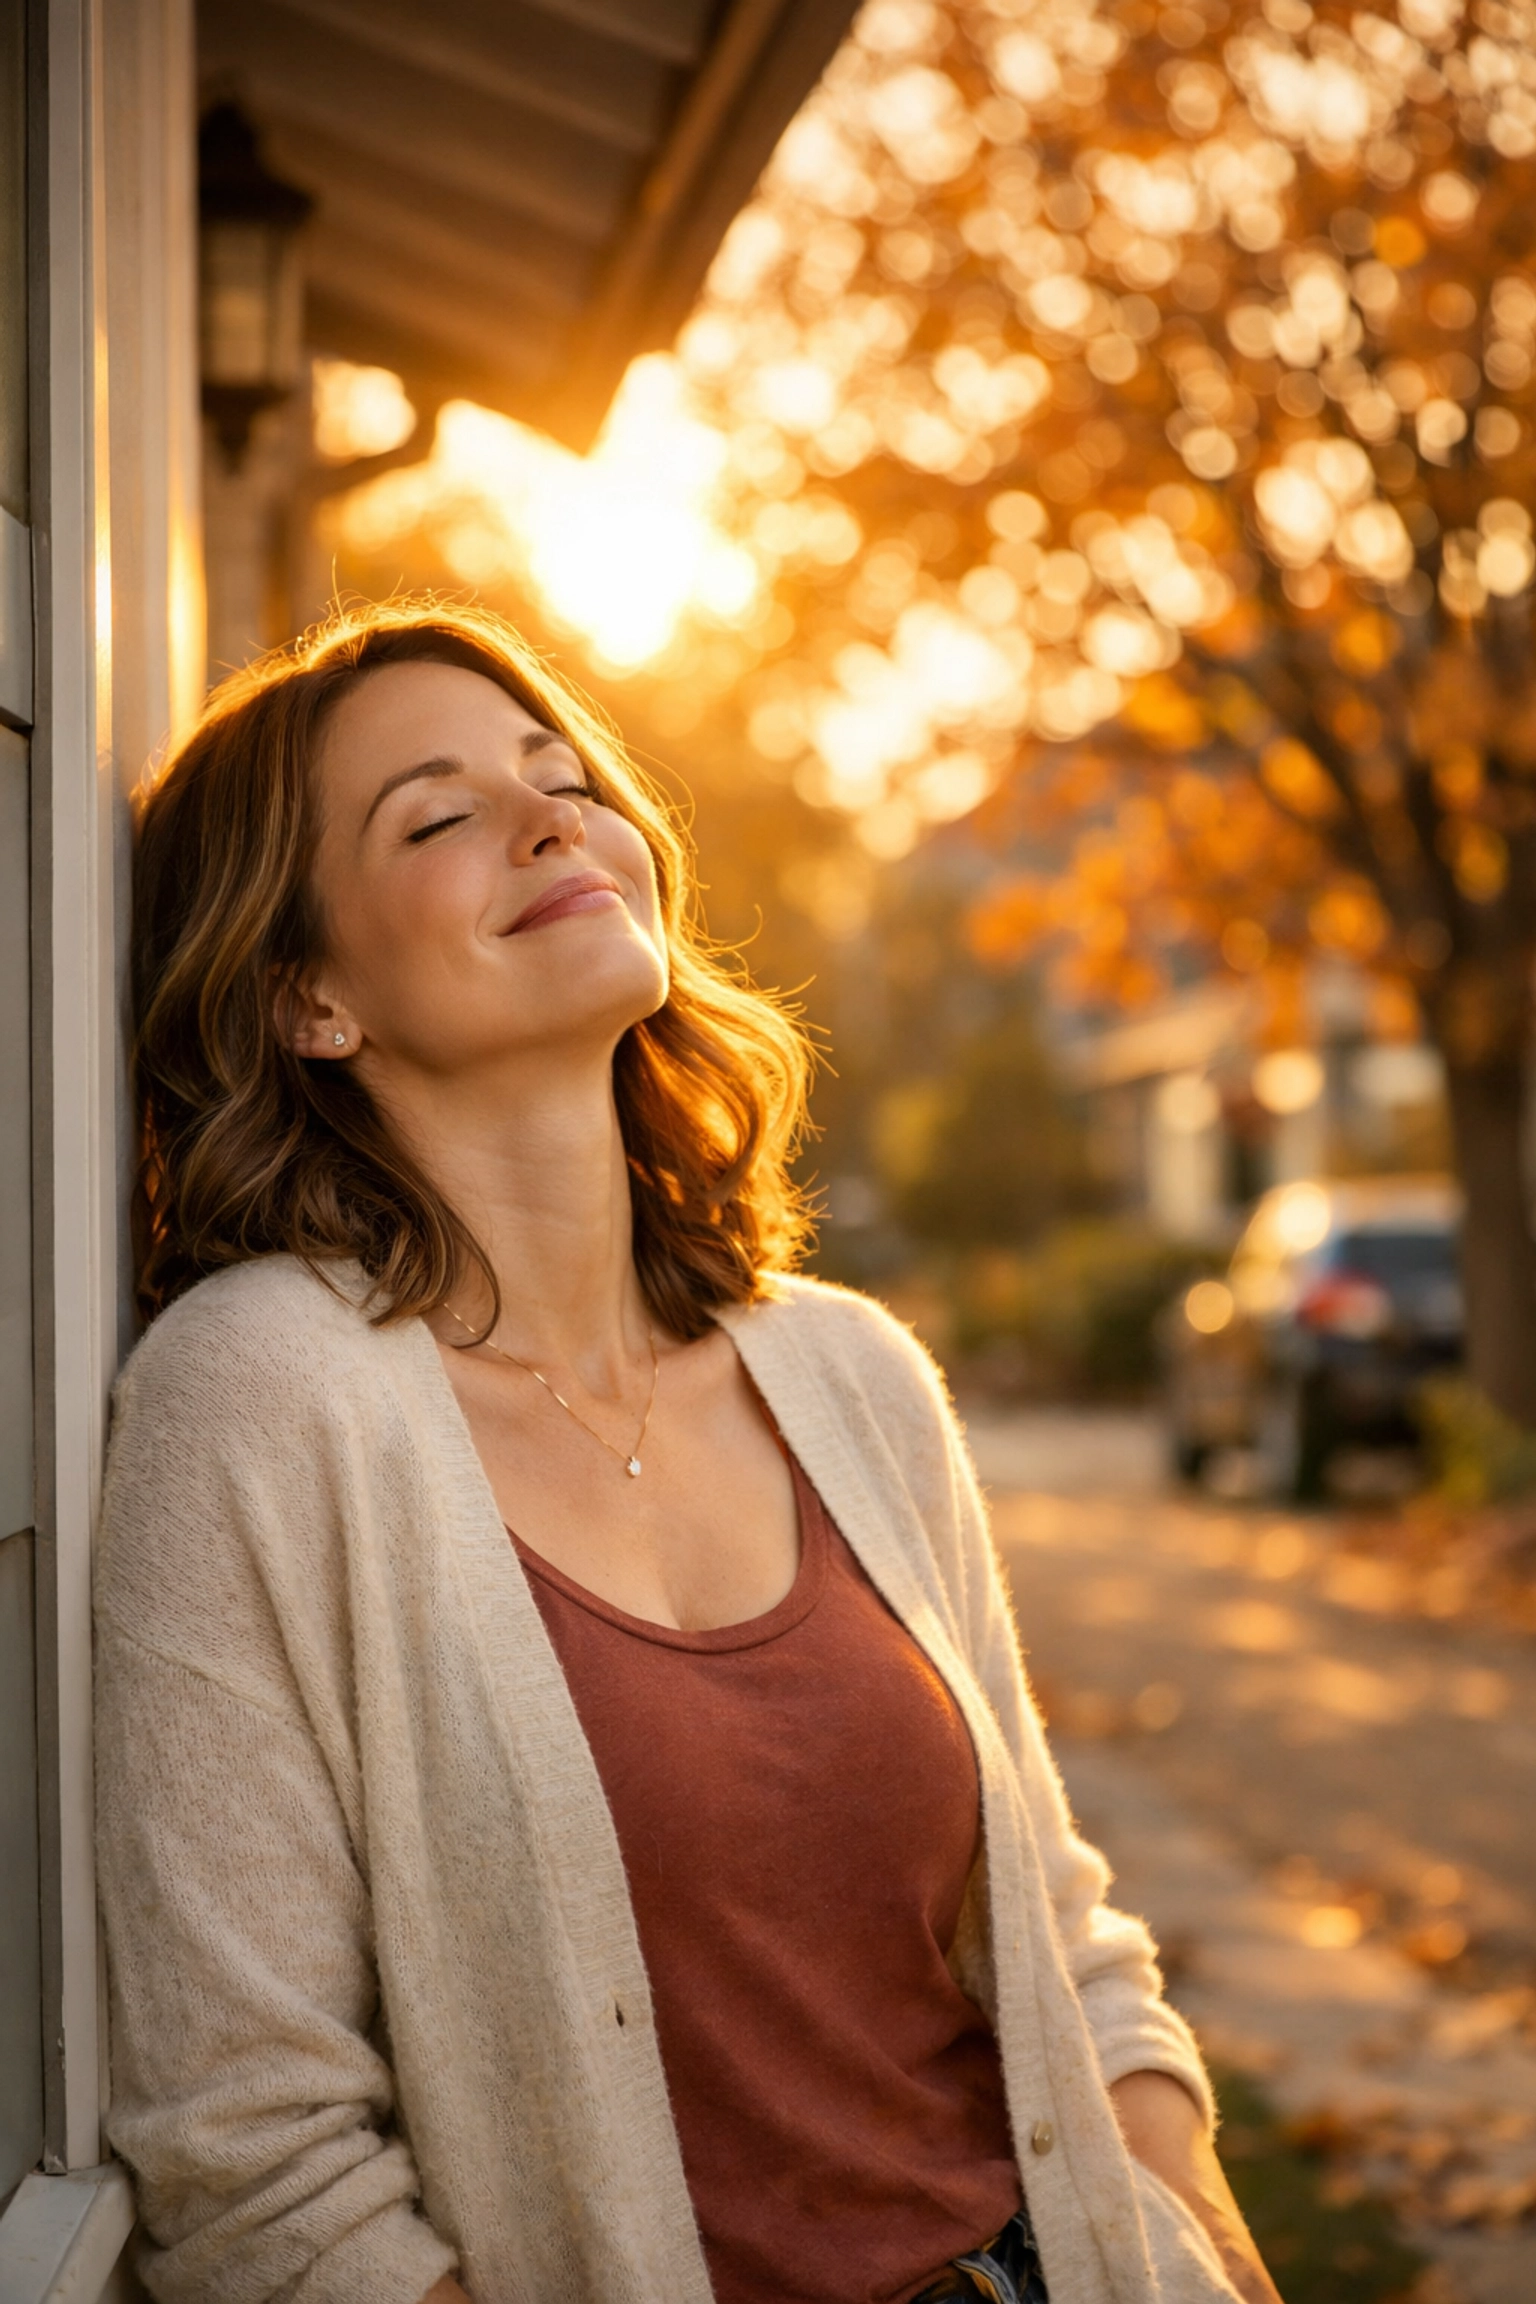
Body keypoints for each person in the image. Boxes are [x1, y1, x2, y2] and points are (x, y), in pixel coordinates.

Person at [97, 603, 1281, 2304]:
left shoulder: (850, 1373)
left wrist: (1216, 2257)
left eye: (561, 777)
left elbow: (1065, 1945)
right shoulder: (261, 1402)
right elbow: (258, 2165)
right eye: (436, 817)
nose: (548, 819)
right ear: (309, 1000)